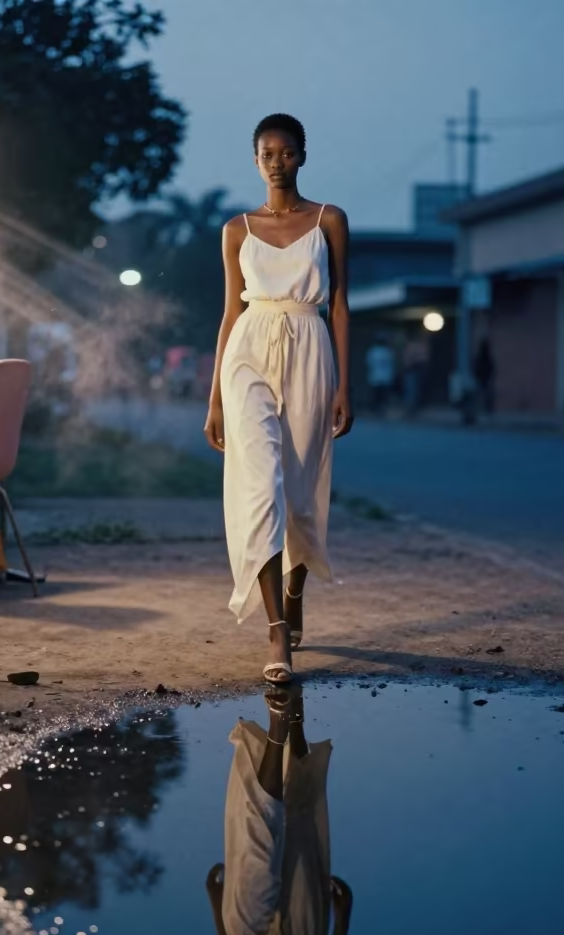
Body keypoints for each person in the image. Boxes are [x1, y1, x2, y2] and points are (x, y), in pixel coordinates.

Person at [203, 113, 353, 685]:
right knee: (261, 487)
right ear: (255, 160)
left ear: (302, 156)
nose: (276, 162)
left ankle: (294, 591)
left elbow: (340, 305)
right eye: (267, 154)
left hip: (310, 346)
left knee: (301, 495)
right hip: (249, 351)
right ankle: (275, 631)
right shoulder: (236, 229)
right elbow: (228, 314)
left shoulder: (329, 219)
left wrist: (344, 384)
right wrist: (215, 398)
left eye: (286, 152)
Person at [206, 686, 352, 935]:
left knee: (258, 847)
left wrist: (218, 909)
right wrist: (341, 927)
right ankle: (294, 717)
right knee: (300, 825)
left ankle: (278, 724)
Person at [401, 327, 430, 415]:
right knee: (410, 390)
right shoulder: (411, 345)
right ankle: (410, 409)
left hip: (418, 370)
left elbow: (424, 358)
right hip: (410, 370)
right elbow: (407, 360)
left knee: (415, 391)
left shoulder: (421, 345)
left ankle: (414, 409)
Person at [365, 333, 396, 414]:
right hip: (385, 377)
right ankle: (381, 410)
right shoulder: (388, 351)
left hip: (376, 377)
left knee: (376, 396)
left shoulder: (373, 351)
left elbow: (369, 363)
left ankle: (376, 410)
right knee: (382, 397)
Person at [473, 336, 496, 416]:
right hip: (482, 379)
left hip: (483, 379)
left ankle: (485, 411)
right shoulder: (483, 357)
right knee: (483, 396)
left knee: (485, 396)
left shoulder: (485, 357)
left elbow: (491, 368)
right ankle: (484, 411)